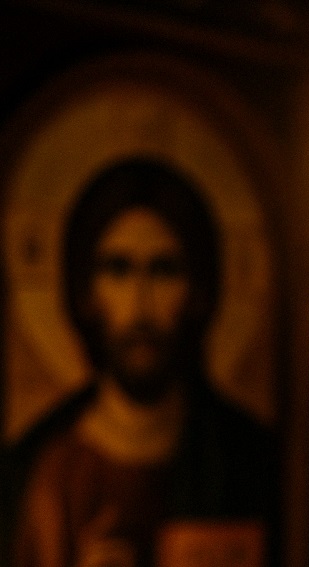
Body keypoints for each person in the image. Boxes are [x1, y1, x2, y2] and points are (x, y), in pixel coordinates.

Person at [9, 157, 280, 567]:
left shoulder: (247, 458)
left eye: (164, 270)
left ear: (198, 291)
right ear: (86, 293)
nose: (141, 304)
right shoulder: (47, 470)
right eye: (118, 270)